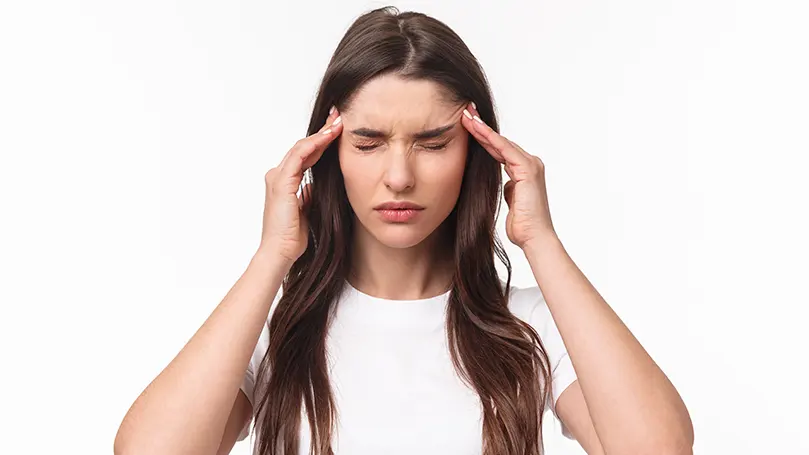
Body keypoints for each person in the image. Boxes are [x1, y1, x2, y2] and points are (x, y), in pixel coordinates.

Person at [114, 6, 693, 455]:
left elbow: (658, 448)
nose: (398, 176)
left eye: (433, 143)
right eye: (367, 144)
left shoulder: (531, 327)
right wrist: (273, 256)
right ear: (328, 152)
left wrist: (540, 239)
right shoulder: (274, 328)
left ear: (477, 151)